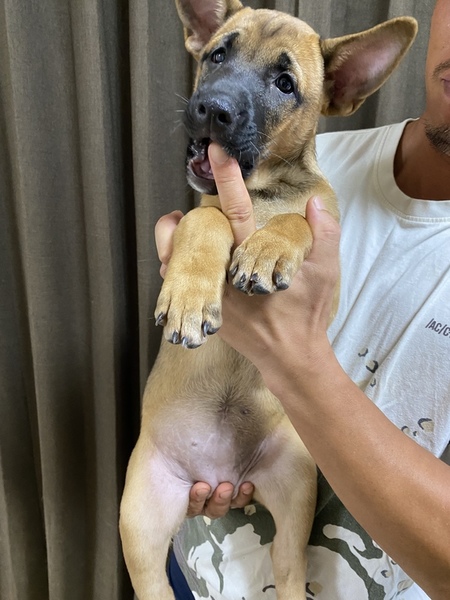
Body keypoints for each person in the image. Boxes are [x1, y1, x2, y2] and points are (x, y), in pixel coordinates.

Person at [157, 1, 450, 598]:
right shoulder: (291, 161)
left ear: (346, 85)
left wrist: (292, 358)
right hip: (197, 564)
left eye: (285, 82)